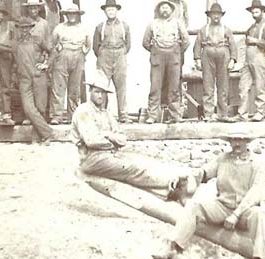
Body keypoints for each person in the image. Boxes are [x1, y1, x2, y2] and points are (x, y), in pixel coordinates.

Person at [152, 133, 265, 259]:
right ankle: (173, 247)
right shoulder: (223, 159)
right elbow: (204, 173)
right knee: (194, 207)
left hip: (245, 211)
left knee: (258, 214)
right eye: (233, 140)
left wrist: (236, 215)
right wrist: (185, 177)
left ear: (247, 142)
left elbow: (256, 192)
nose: (236, 143)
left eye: (240, 140)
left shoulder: (257, 163)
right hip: (223, 206)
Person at [72, 70, 190, 198]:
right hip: (91, 159)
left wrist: (108, 135)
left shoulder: (106, 113)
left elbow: (122, 139)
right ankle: (170, 185)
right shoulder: (84, 111)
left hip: (110, 154)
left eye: (103, 93)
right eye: (97, 92)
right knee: (132, 169)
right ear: (90, 91)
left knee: (142, 160)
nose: (100, 96)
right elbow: (92, 141)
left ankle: (168, 187)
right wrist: (112, 140)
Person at [142, 0, 190, 124]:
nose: (164, 10)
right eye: (162, 8)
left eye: (167, 8)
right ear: (159, 10)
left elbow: (186, 41)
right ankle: (153, 115)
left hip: (173, 57)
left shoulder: (178, 23)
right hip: (158, 58)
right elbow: (145, 42)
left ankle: (175, 115)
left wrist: (176, 51)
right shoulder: (152, 24)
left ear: (171, 10)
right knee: (155, 87)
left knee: (174, 87)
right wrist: (156, 50)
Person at [12, 16, 55, 143]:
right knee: (28, 108)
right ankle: (48, 132)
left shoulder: (38, 40)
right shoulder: (15, 43)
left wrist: (46, 64)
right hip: (24, 79)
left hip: (38, 76)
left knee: (40, 108)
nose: (24, 30)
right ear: (18, 29)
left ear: (31, 28)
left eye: (27, 27)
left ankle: (37, 138)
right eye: (21, 28)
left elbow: (53, 51)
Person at [192, 2, 237, 121]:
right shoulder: (204, 30)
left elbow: (233, 44)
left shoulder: (226, 29)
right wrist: (197, 59)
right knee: (208, 84)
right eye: (213, 14)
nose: (216, 17)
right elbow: (197, 44)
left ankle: (223, 114)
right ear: (210, 16)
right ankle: (208, 114)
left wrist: (233, 59)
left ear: (221, 16)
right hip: (208, 54)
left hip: (223, 54)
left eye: (218, 14)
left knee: (223, 85)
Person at [92, 0, 132, 122]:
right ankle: (101, 114)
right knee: (102, 85)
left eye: (112, 9)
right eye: (108, 9)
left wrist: (121, 53)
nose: (110, 11)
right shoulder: (100, 27)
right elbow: (95, 46)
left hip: (120, 55)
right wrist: (103, 55)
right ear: (105, 11)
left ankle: (123, 114)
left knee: (121, 86)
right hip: (105, 55)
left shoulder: (124, 25)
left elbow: (128, 44)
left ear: (116, 10)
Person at [50, 4, 90, 124]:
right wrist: (59, 49)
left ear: (77, 15)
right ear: (66, 15)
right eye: (69, 14)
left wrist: (83, 52)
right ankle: (57, 115)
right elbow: (53, 43)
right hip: (62, 57)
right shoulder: (59, 28)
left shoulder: (83, 28)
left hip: (78, 56)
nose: (72, 16)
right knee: (58, 87)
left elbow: (88, 44)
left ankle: (73, 115)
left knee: (75, 88)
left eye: (74, 14)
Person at [240, 0, 265, 122]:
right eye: (253, 12)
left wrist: (255, 41)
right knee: (243, 87)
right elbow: (246, 39)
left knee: (260, 87)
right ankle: (242, 114)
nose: (254, 14)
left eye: (257, 12)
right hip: (248, 59)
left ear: (263, 11)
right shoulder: (252, 27)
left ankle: (260, 113)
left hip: (260, 57)